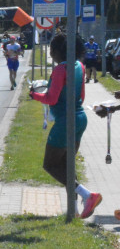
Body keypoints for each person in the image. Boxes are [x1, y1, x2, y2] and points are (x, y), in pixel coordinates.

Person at [30, 35, 102, 218]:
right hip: (80, 118)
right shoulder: (80, 66)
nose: (51, 53)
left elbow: (51, 99)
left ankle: (88, 195)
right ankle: (75, 210)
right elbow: (82, 96)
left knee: (50, 165)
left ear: (57, 51)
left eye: (51, 50)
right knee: (68, 166)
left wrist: (33, 95)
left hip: (65, 121)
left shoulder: (61, 69)